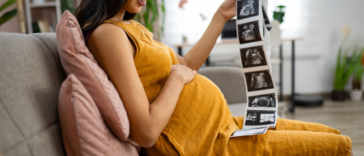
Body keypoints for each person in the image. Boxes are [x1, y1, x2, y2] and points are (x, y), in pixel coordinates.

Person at [75, 0, 353, 155]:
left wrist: (221, 16)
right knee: (340, 147)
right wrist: (176, 79)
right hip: (207, 144)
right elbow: (146, 132)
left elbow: (185, 64)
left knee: (333, 134)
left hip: (226, 126)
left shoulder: (131, 27)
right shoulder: (107, 34)